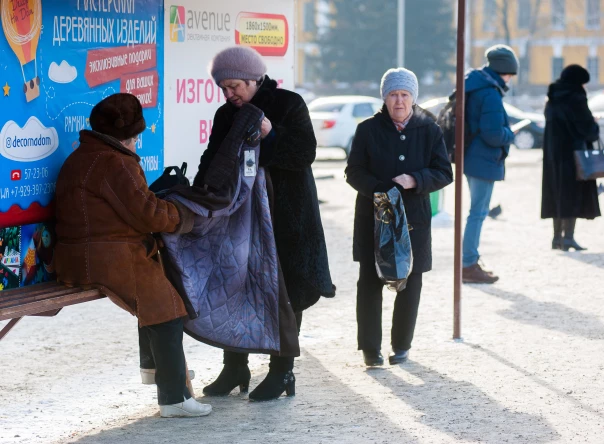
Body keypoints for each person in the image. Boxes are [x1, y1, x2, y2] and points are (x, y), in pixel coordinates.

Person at [54, 93, 211, 418]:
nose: (138, 143)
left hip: (75, 255)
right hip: (107, 256)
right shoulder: (116, 162)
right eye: (136, 137)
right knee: (166, 307)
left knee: (153, 297)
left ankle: (156, 371)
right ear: (128, 136)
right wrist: (183, 215)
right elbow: (148, 215)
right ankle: (175, 399)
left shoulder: (82, 156)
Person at [194, 46, 335, 401]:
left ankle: (282, 371)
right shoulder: (225, 114)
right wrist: (200, 195)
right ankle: (235, 367)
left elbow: (305, 154)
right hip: (240, 217)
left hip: (286, 215)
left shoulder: (289, 104)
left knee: (285, 292)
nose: (229, 95)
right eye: (223, 88)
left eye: (235, 86)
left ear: (254, 79)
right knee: (234, 286)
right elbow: (213, 157)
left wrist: (271, 134)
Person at [345, 68, 453, 367]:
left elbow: (445, 172)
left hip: (413, 220)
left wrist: (415, 179)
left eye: (405, 95)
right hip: (372, 217)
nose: (399, 101)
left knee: (410, 282)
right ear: (385, 97)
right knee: (369, 282)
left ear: (413, 98)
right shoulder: (367, 129)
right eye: (393, 94)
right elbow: (353, 172)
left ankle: (402, 346)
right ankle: (370, 349)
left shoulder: (429, 129)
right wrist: (379, 190)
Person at [461, 45, 519, 284]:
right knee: (478, 213)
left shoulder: (475, 84)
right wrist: (511, 134)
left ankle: (469, 261)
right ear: (503, 70)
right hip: (483, 160)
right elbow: (493, 134)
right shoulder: (490, 92)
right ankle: (468, 263)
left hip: (471, 156)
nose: (509, 79)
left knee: (477, 211)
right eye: (509, 74)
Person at [541, 65, 601, 251]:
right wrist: (595, 123)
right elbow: (588, 130)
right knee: (572, 195)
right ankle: (568, 238)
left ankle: (556, 238)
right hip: (574, 156)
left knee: (556, 193)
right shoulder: (576, 98)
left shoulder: (552, 97)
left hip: (553, 155)